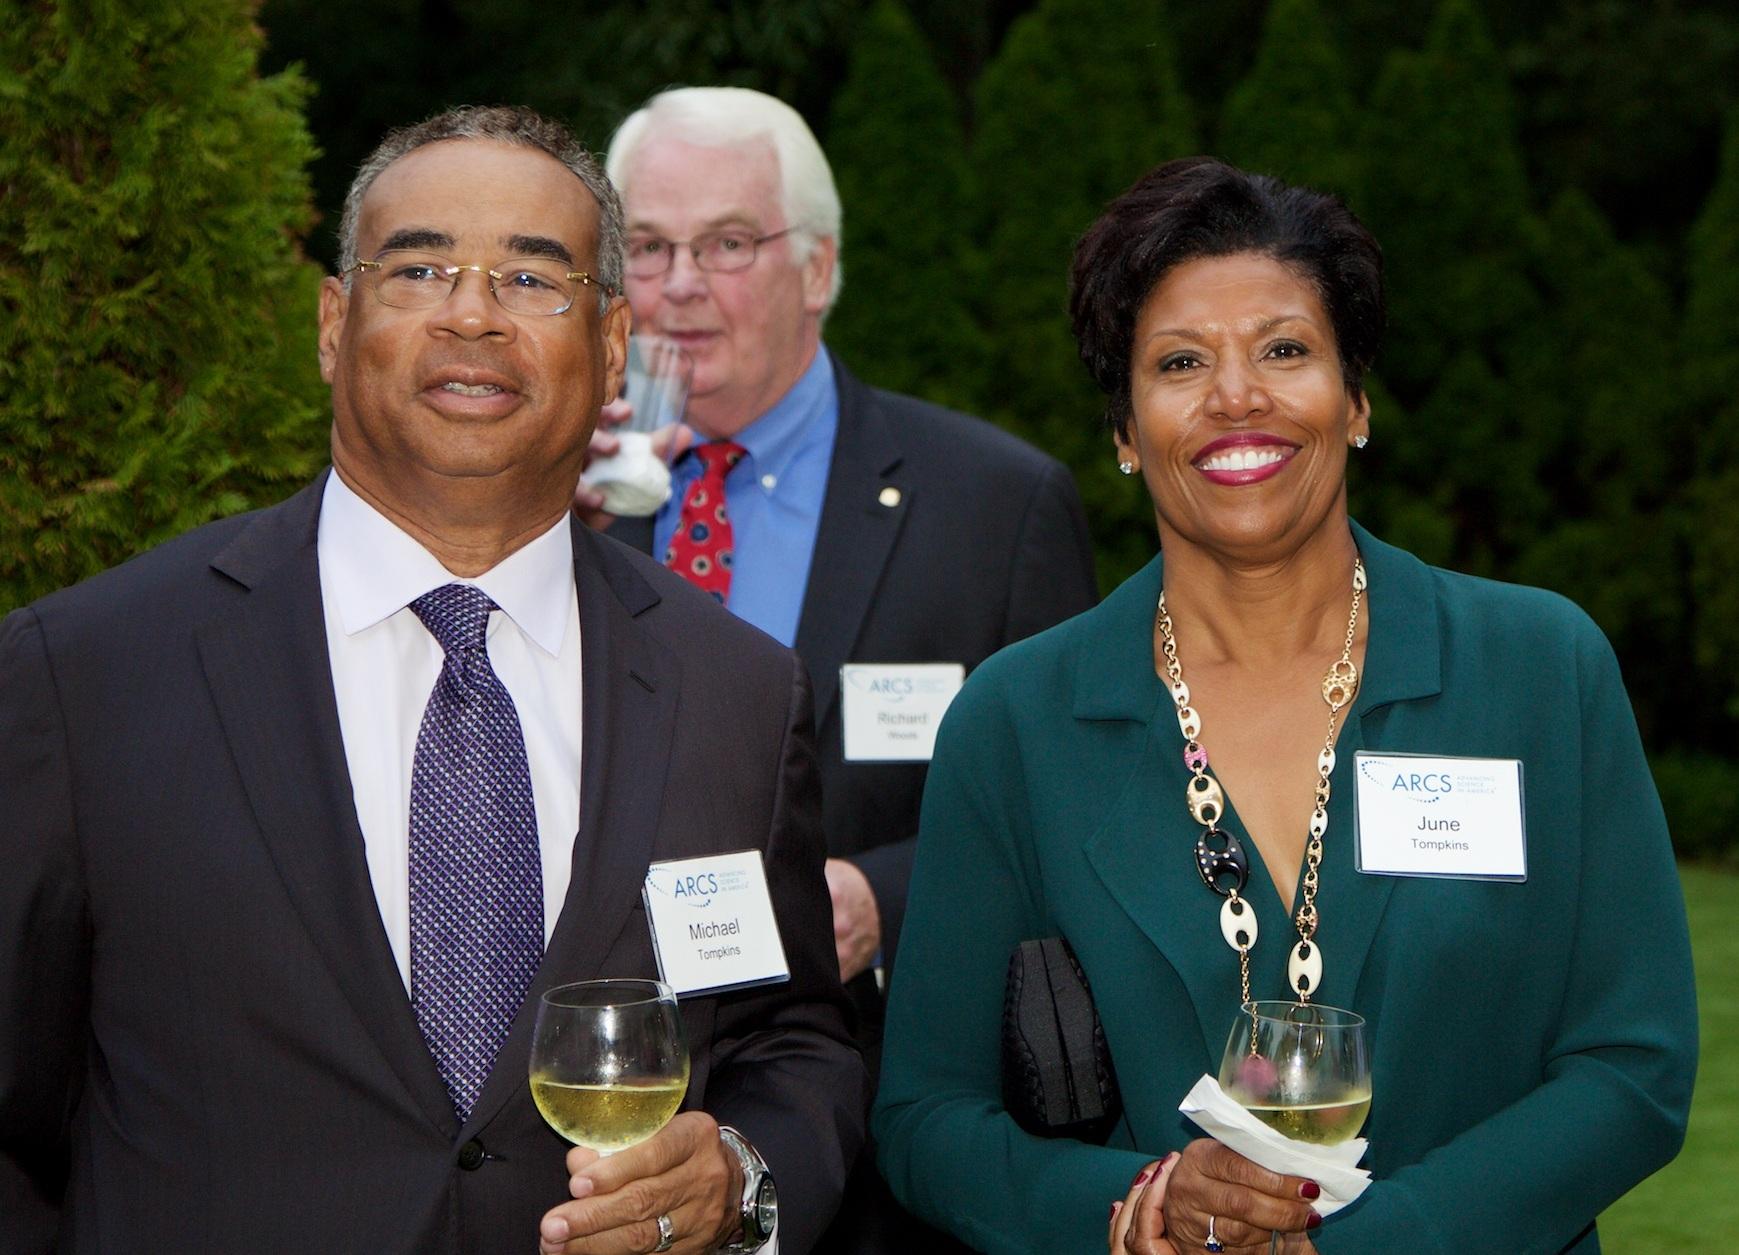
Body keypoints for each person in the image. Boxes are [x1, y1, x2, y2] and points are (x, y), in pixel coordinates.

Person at [0, 106, 863, 1255]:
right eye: (418, 270)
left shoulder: (736, 693)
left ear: (612, 345)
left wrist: (737, 1175)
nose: (471, 314)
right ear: (332, 324)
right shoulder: (86, 675)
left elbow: (793, 1042)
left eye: (531, 278)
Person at [872, 157, 1697, 1254]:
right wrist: (1146, 1204)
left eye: (1284, 350)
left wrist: (1384, 1238)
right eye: (1179, 361)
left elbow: (1631, 1065)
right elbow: (925, 1117)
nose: (1235, 396)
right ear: (1123, 432)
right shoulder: (1013, 723)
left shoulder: (1539, 669)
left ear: (1354, 402)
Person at [584, 86, 1099, 1252]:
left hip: (883, 1149)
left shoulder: (992, 507)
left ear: (817, 268)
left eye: (726, 243)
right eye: (647, 247)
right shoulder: (552, 504)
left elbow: (1074, 813)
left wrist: (881, 898)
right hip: (588, 1126)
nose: (677, 285)